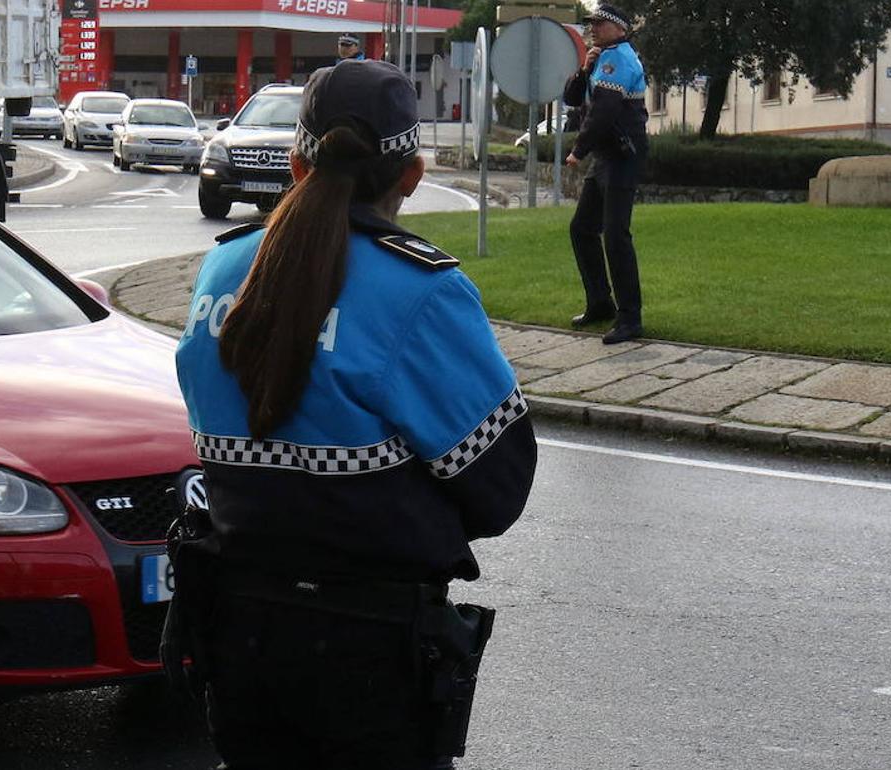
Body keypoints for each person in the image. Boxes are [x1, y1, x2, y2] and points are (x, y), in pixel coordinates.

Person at [171, 60, 537, 770]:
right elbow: (499, 486)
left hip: (238, 629)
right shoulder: (420, 290)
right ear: (412, 174)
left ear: (294, 162)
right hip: (370, 649)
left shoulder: (222, 271)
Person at [562, 3, 649, 345]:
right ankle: (600, 303)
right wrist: (584, 70)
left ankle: (631, 318)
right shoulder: (601, 60)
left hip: (623, 156)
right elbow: (572, 98)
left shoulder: (620, 60)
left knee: (616, 236)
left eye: (600, 24)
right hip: (606, 158)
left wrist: (577, 151)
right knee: (582, 228)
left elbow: (604, 112)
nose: (593, 28)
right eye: (591, 24)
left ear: (619, 29)